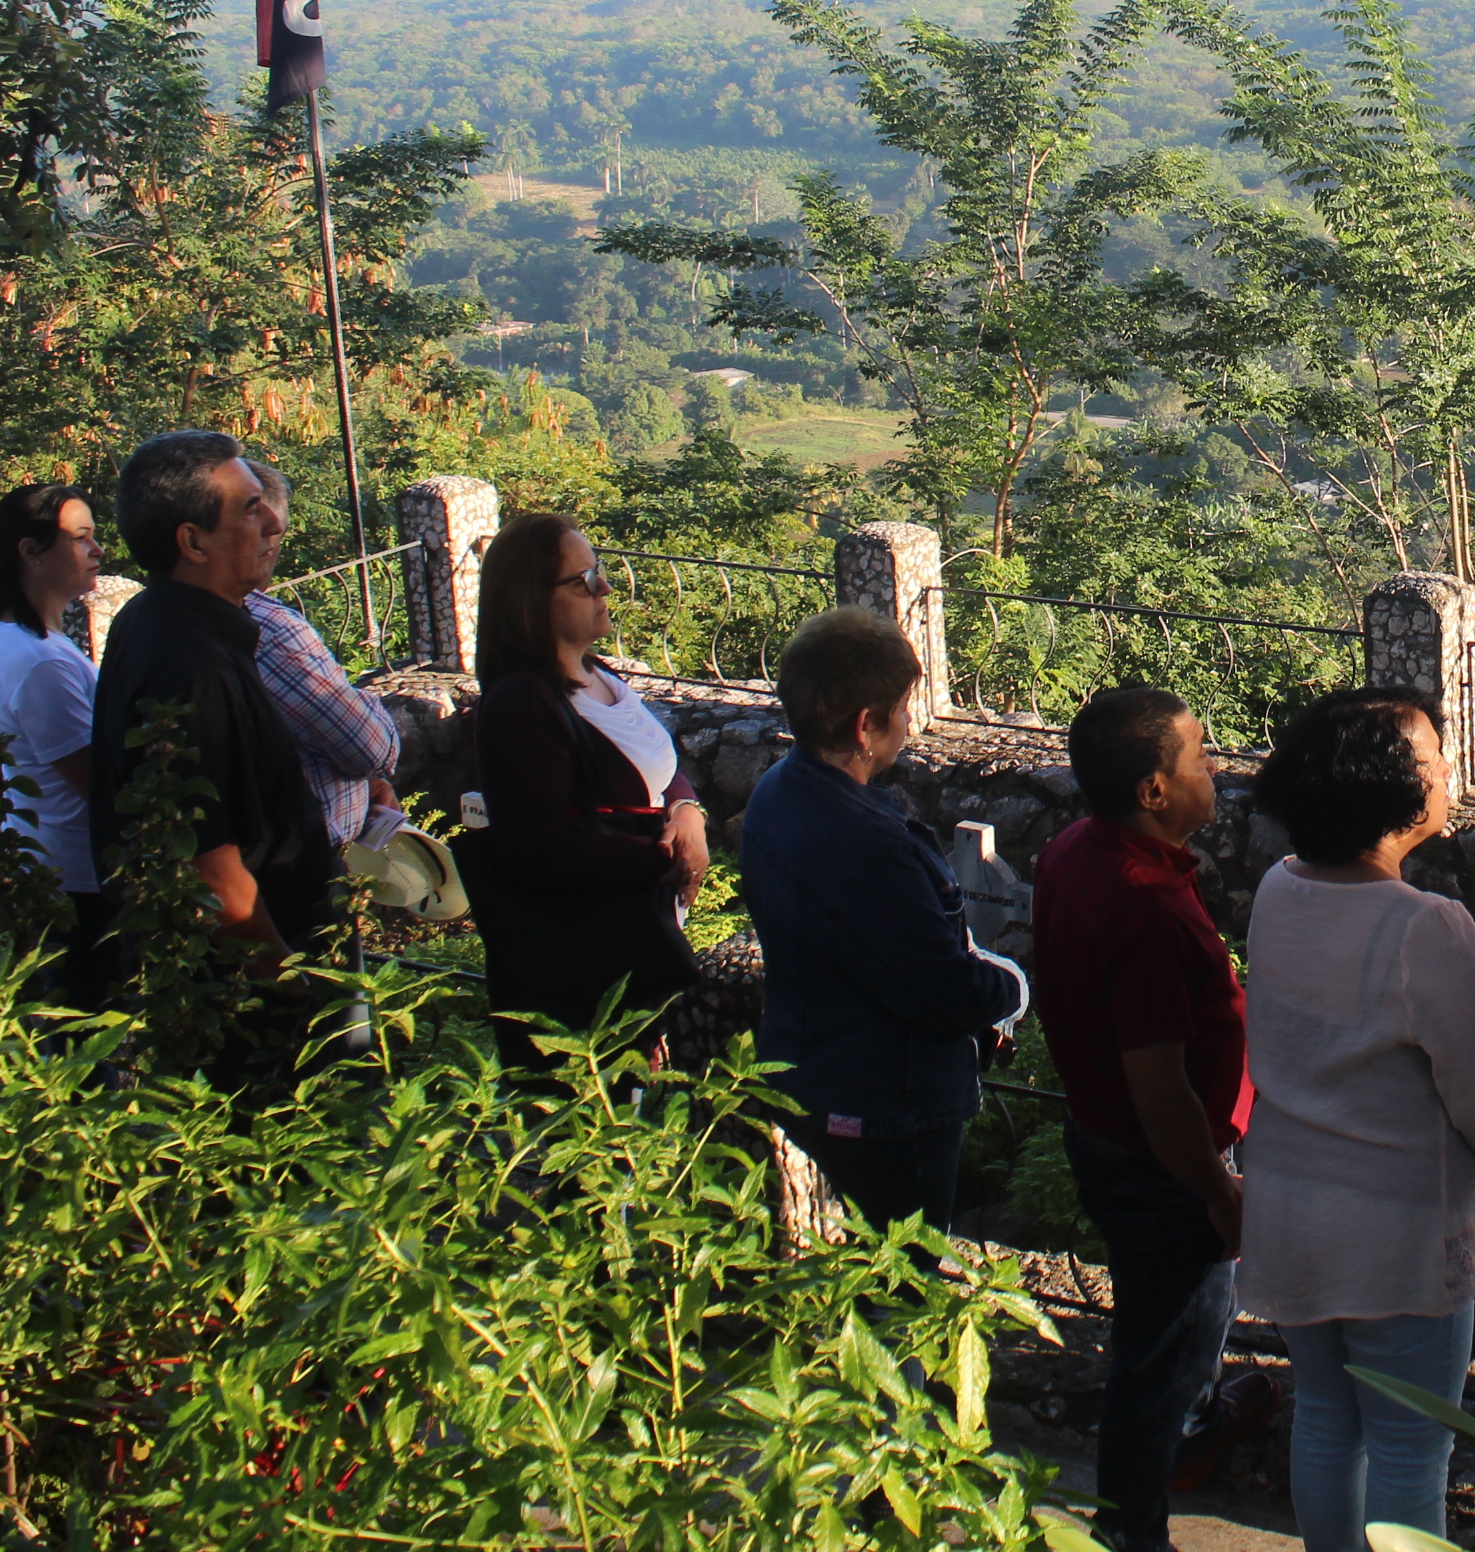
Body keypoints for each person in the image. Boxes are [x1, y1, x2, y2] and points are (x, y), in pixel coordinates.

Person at [1238, 687, 1475, 1552]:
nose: (1446, 769)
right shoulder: (1427, 928)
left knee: (1327, 1420)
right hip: (1396, 1231)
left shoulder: (1278, 890)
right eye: (1434, 757)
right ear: (1391, 793)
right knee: (1412, 1450)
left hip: (1292, 1207)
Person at [1037, 686, 1263, 1552]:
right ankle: (1137, 1528)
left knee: (1153, 1335)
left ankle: (1181, 1446)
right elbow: (1160, 1086)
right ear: (1153, 792)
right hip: (1160, 1164)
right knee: (1161, 1359)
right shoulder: (1146, 908)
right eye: (1200, 755)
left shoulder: (1074, 851)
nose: (1217, 767)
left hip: (1105, 1138)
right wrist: (1217, 1190)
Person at [743, 607, 1022, 1233]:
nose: (908, 721)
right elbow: (939, 990)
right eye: (901, 708)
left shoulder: (778, 791)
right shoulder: (872, 846)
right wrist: (1012, 986)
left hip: (810, 1064)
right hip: (886, 1097)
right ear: (865, 726)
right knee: (903, 1277)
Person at [462, 514, 709, 1065]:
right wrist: (665, 855)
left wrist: (687, 811)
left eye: (597, 572)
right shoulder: (522, 705)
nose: (603, 588)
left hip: (635, 942)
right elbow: (536, 854)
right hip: (584, 974)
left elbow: (658, 768)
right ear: (532, 601)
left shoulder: (593, 673)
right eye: (583, 580)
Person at [88, 430, 337, 969]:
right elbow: (211, 868)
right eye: (251, 510)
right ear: (193, 543)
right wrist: (293, 985)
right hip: (250, 991)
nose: (274, 524)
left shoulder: (155, 618)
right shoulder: (190, 667)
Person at [0, 483, 119, 1009]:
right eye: (81, 539)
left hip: (48, 867)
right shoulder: (41, 662)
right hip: (75, 880)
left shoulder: (14, 641)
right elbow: (96, 783)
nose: (97, 551)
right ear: (31, 552)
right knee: (84, 1039)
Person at [241, 462, 402, 849]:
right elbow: (372, 747)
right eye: (254, 518)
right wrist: (358, 697)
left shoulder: (144, 617)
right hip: (299, 865)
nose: (273, 536)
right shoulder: (269, 629)